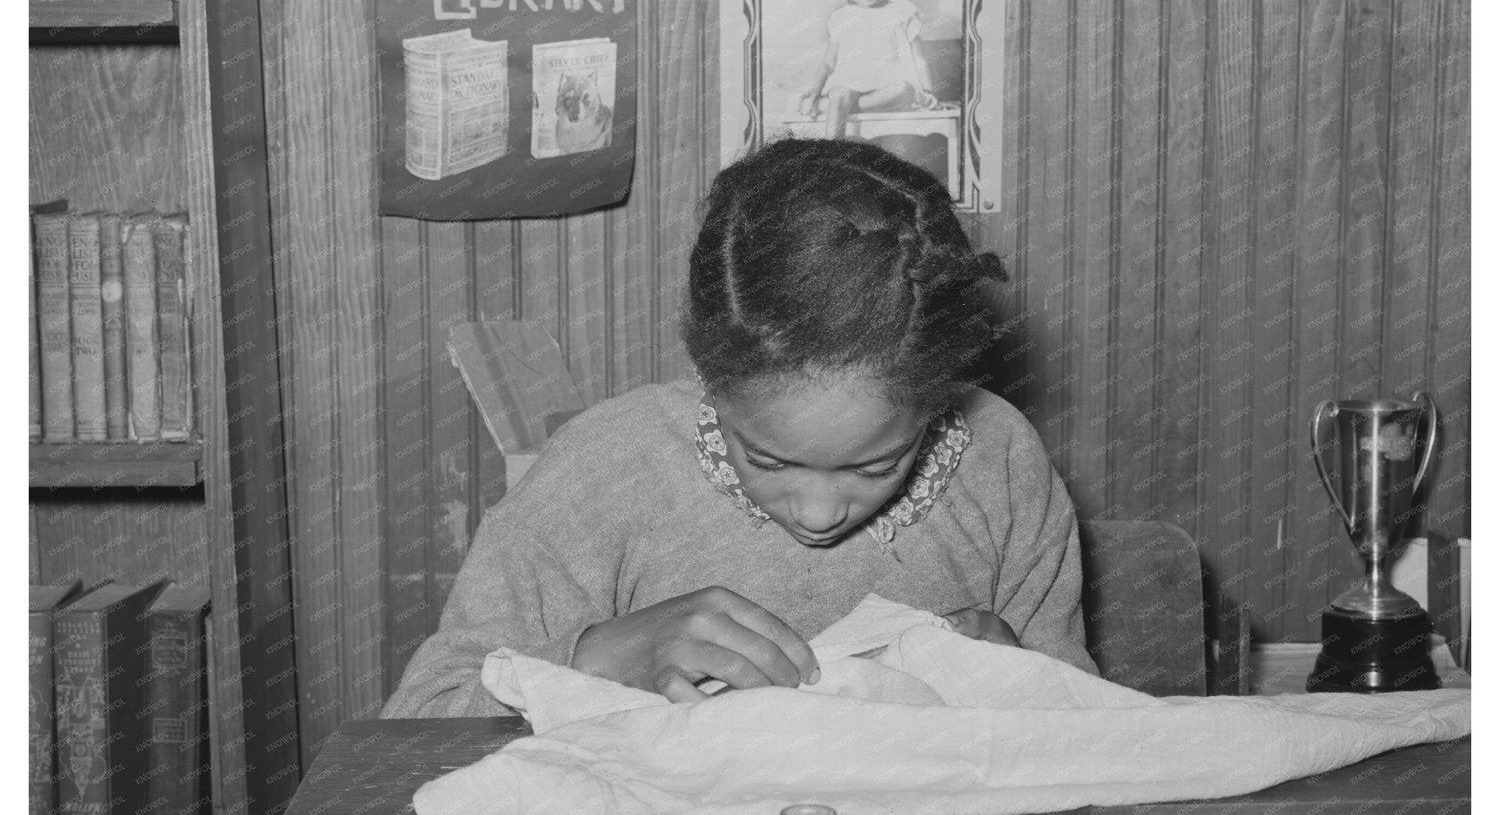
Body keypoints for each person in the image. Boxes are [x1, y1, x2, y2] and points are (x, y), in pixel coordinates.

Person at [382, 137, 1096, 718]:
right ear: (711, 380)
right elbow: (421, 718)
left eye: (877, 466)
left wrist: (1017, 678)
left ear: (938, 398)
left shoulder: (999, 461)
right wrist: (597, 656)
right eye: (769, 458)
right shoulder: (604, 472)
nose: (820, 512)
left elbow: (1094, 746)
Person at [797, 0, 939, 140]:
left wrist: (928, 91)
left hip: (886, 90)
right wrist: (815, 89)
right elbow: (829, 62)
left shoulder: (902, 11)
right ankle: (831, 160)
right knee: (839, 95)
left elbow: (918, 57)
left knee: (905, 90)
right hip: (846, 87)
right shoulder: (842, 17)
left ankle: (834, 106)